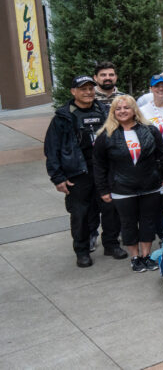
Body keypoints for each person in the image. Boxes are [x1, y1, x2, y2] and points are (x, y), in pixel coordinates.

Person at [44, 75, 126, 267]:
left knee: (111, 209)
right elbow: (52, 149)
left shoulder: (104, 111)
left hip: (104, 171)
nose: (88, 92)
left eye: (90, 88)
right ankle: (81, 251)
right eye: (83, 89)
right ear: (73, 92)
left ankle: (111, 244)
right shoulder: (63, 117)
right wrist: (57, 178)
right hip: (77, 174)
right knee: (80, 214)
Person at [92, 95, 163, 272]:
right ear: (113, 112)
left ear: (134, 110)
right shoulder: (105, 136)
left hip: (150, 186)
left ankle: (146, 255)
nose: (122, 111)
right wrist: (103, 190)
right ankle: (135, 257)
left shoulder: (150, 130)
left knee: (148, 222)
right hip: (122, 188)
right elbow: (99, 166)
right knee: (128, 223)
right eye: (118, 108)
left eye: (126, 107)